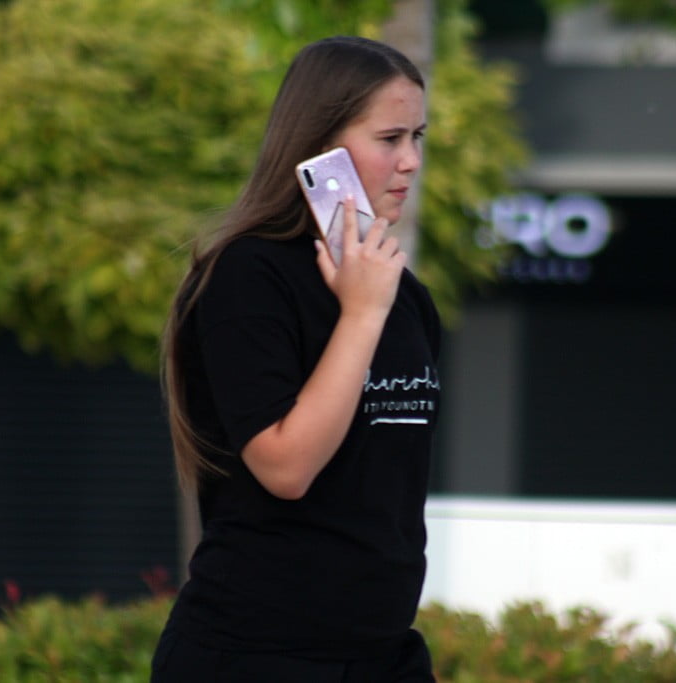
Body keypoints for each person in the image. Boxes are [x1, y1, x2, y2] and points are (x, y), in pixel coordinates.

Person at [153, 35, 441, 683]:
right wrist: (360, 315)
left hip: (382, 653)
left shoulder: (403, 295)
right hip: (257, 654)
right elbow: (286, 467)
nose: (411, 161)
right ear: (321, 149)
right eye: (390, 138)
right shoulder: (248, 276)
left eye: (418, 137)